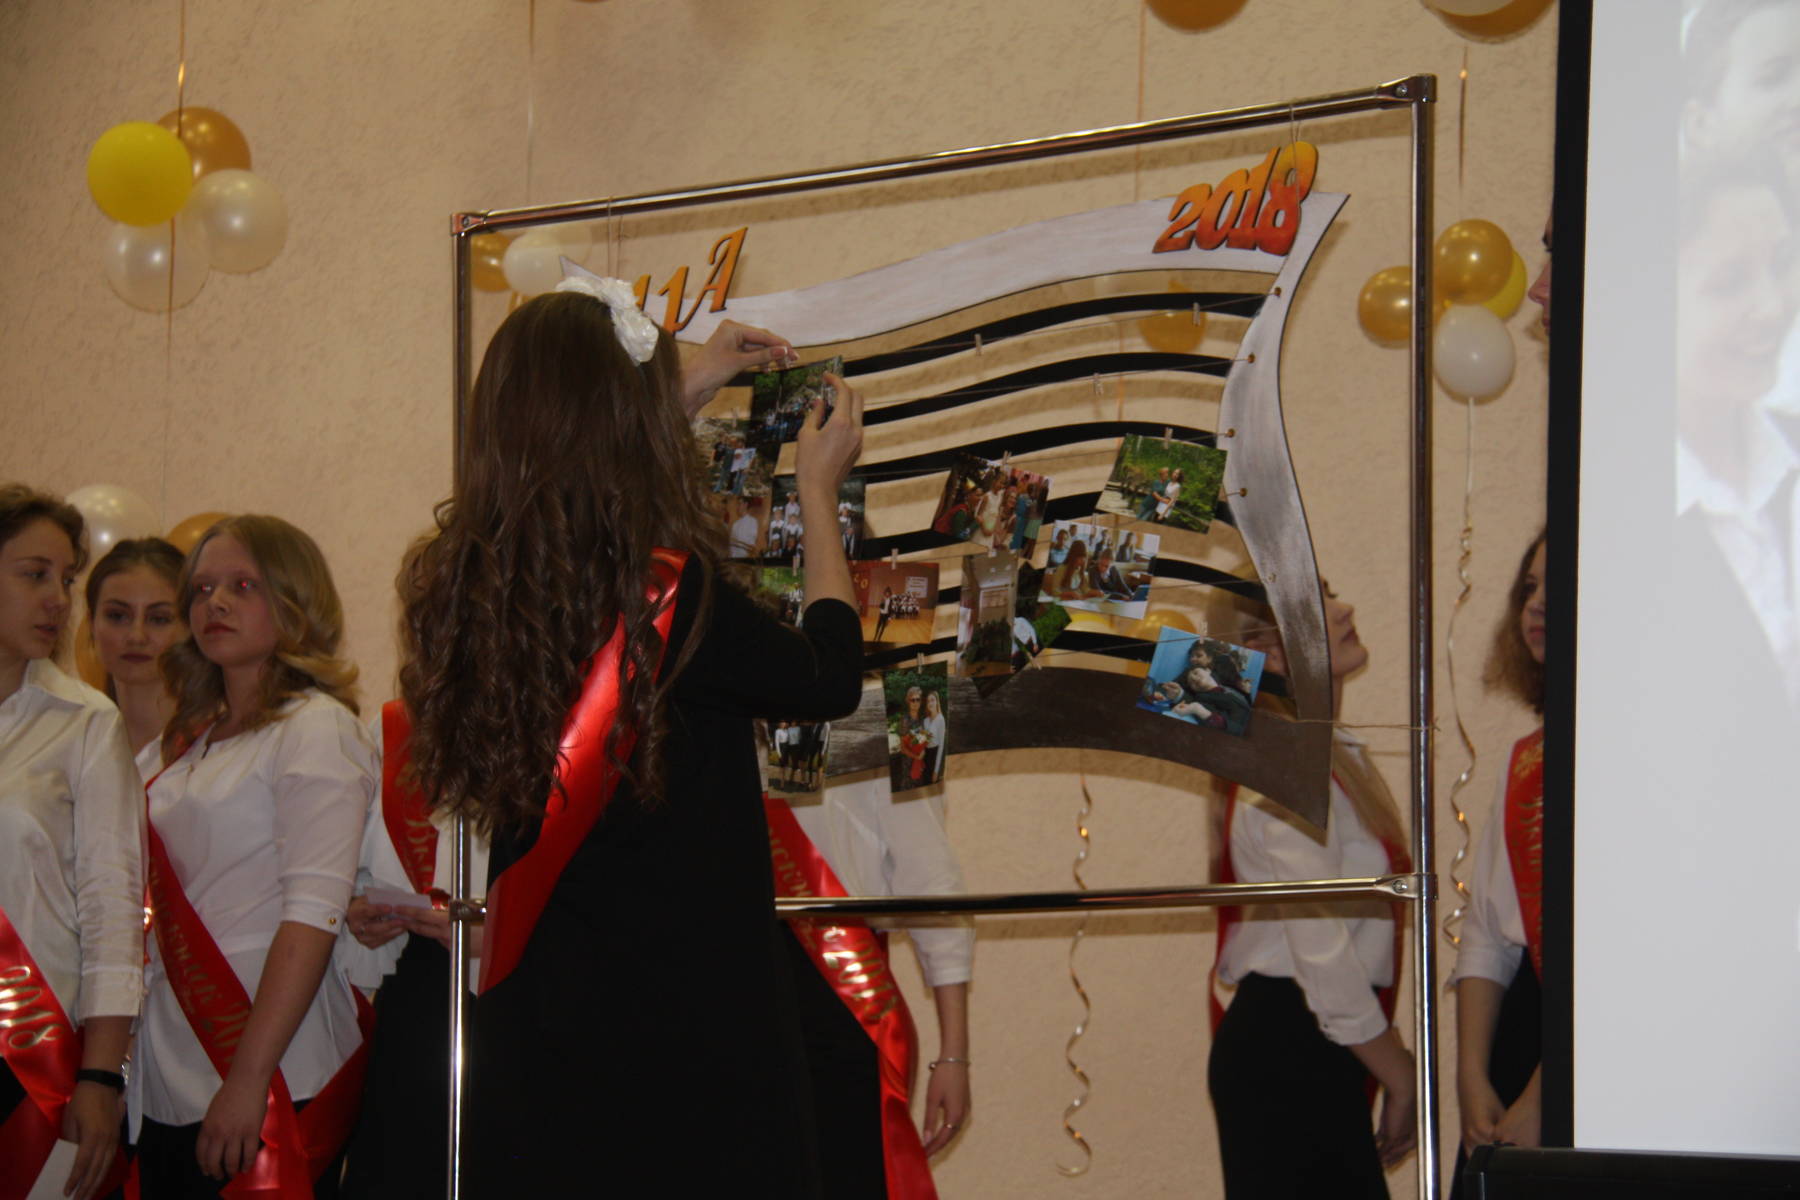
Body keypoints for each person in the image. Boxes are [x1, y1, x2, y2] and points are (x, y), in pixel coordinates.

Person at [396, 280, 863, 1196]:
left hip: (544, 1012)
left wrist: (674, 389)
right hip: (688, 1016)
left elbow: (575, 472)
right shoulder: (668, 594)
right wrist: (818, 492)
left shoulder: (462, 579)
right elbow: (827, 677)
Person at [131, 514, 377, 1198]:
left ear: (297, 599)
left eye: (243, 586)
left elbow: (312, 915)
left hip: (274, 1068)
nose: (215, 602)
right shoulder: (183, 742)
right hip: (170, 1065)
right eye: (202, 589)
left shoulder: (315, 728)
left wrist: (247, 1080)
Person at [1209, 583, 1417, 1197]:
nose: (1346, 608)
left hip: (1312, 1040)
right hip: (1292, 1044)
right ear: (1269, 653)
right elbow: (1320, 947)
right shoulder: (1284, 770)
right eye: (1316, 599)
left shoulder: (1328, 755)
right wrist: (1399, 1071)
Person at [0, 484, 144, 1200]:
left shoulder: (87, 722)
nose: (58, 599)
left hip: (29, 1054)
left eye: (66, 579)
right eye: (35, 575)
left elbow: (112, 908)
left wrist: (100, 1074)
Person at [769, 768, 973, 1198]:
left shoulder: (906, 721)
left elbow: (931, 880)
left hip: (837, 994)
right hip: (727, 990)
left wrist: (954, 1054)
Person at [1449, 533, 1546, 1199]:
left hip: (1606, 1041)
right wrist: (1470, 1075)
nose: (1535, 604)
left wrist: (1549, 1090)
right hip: (1523, 1031)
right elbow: (1487, 930)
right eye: (1529, 588)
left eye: (1557, 586)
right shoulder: (1529, 758)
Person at [84, 536, 186, 771]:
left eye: (159, 619)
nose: (136, 636)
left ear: (190, 627)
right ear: (91, 624)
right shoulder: (68, 742)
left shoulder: (220, 747)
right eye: (117, 616)